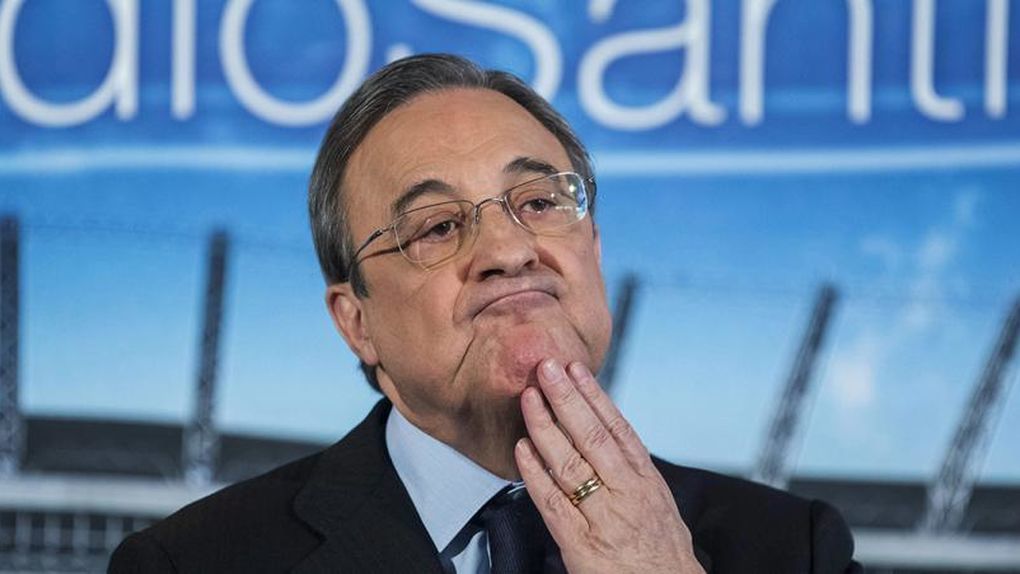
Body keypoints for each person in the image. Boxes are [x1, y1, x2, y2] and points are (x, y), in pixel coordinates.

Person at [109, 54, 861, 573]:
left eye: (539, 202)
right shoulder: (192, 563)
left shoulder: (794, 549)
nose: (508, 249)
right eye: (438, 226)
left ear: (594, 251)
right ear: (356, 321)